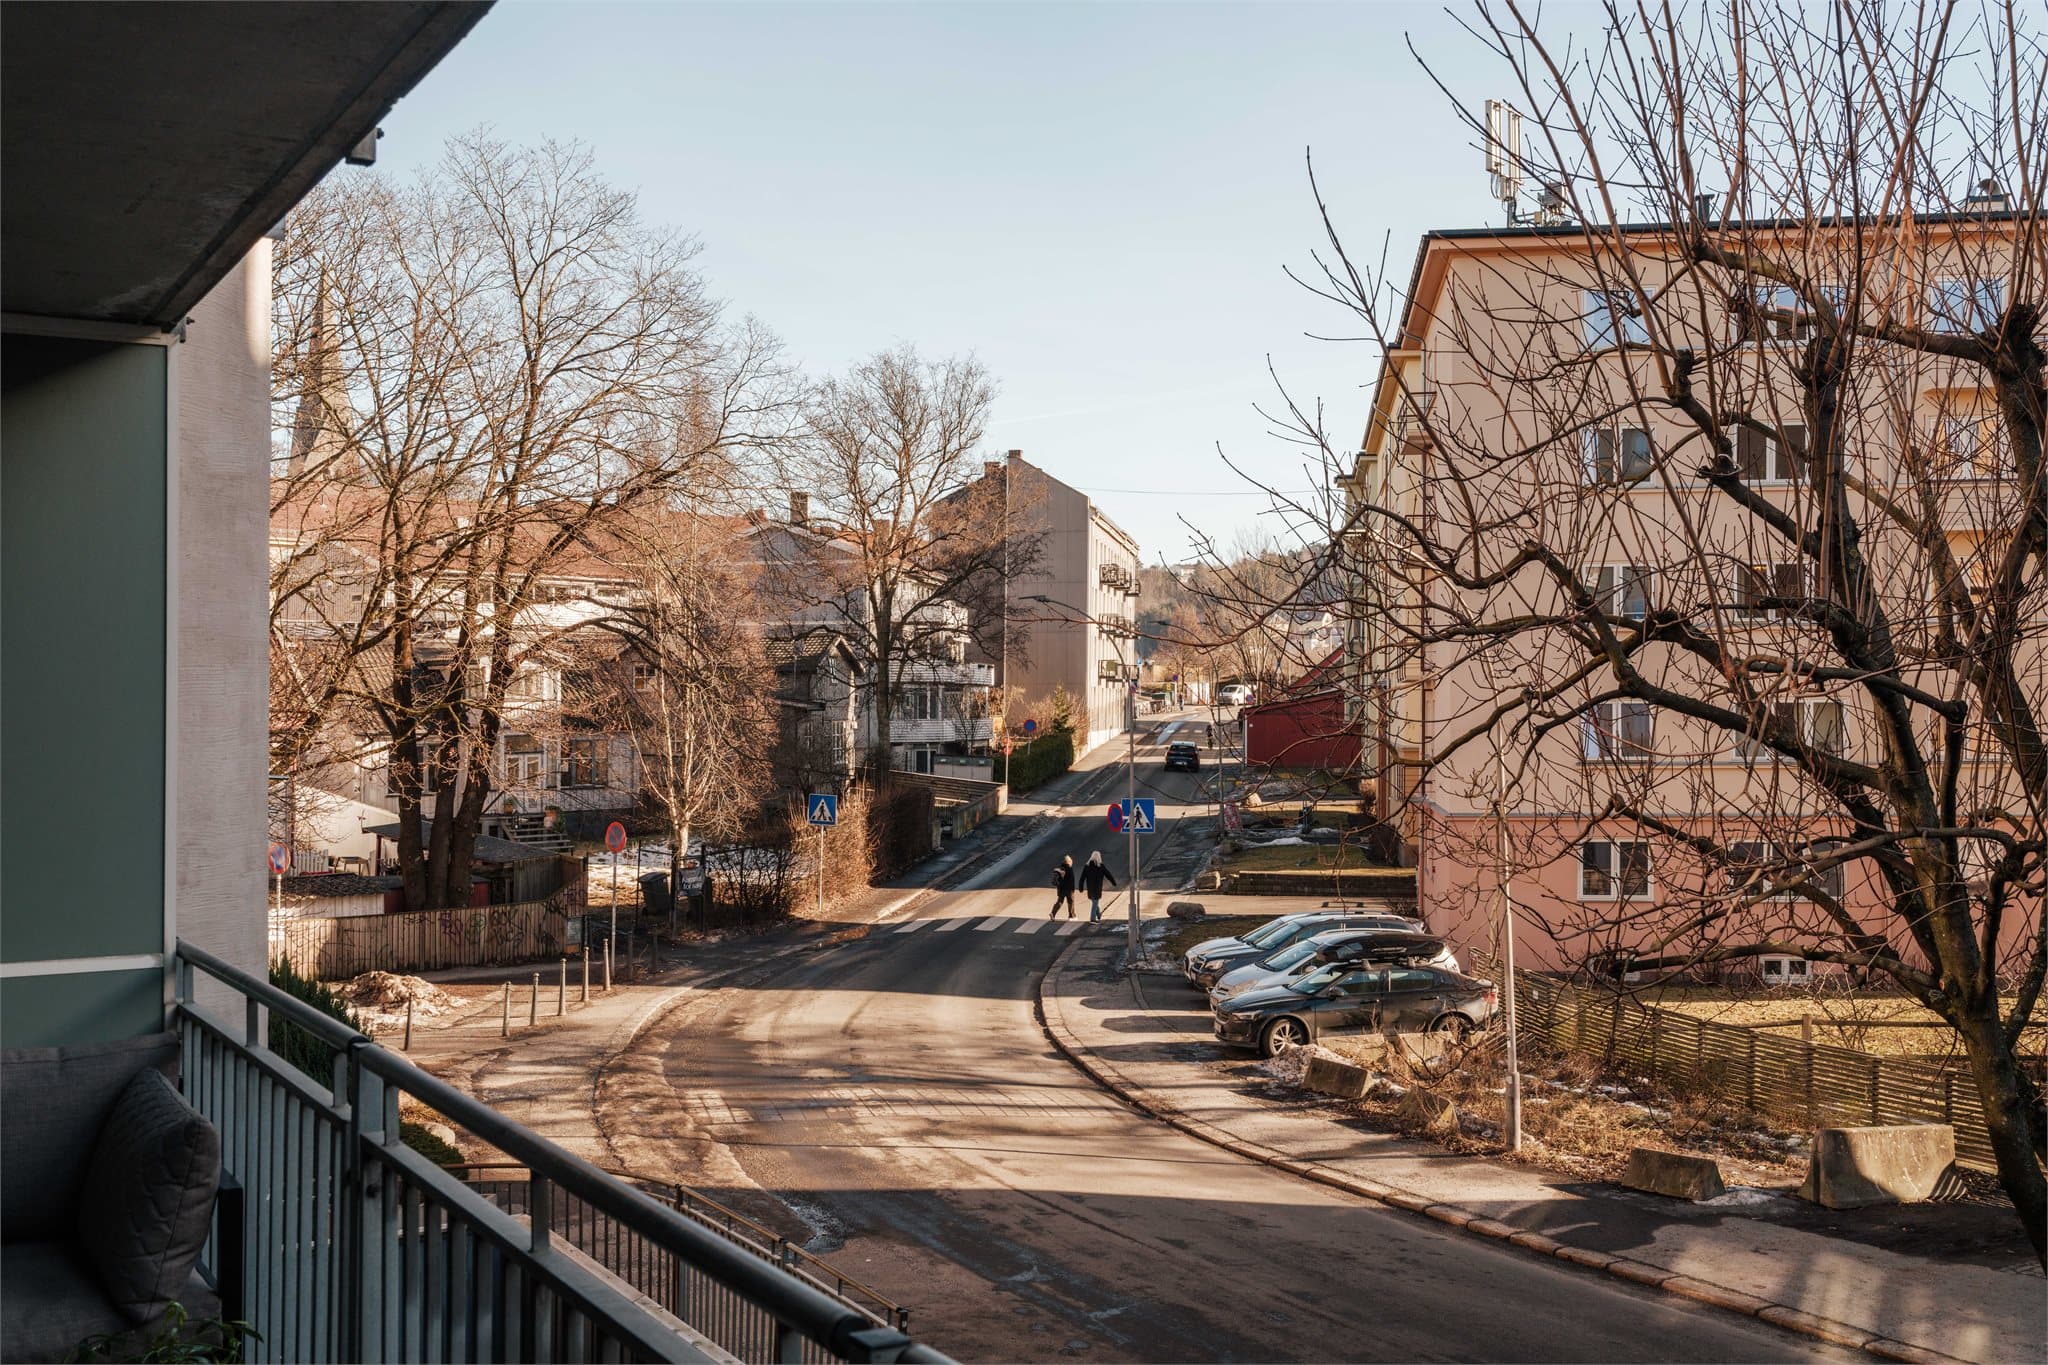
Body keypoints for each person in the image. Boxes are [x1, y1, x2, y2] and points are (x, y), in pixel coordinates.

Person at [1080, 850, 1119, 922]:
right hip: (1097, 888)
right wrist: (1114, 883)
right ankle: (1092, 919)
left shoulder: (1087, 866)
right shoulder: (1101, 866)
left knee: (1094, 902)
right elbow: (1108, 875)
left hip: (1090, 888)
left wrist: (1081, 887)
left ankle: (1098, 915)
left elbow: (1082, 877)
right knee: (1095, 903)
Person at [1049, 854, 1078, 919]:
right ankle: (1072, 916)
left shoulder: (1061, 868)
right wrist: (1073, 890)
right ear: (1069, 862)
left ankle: (1053, 913)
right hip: (1069, 889)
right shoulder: (1070, 869)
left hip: (1061, 889)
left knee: (1060, 901)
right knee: (1071, 902)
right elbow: (1071, 880)